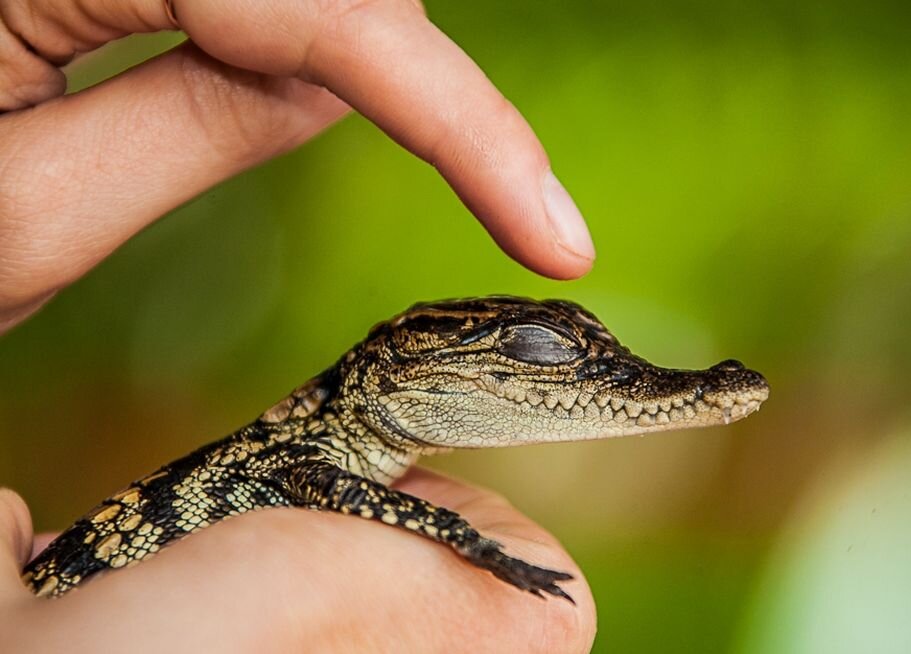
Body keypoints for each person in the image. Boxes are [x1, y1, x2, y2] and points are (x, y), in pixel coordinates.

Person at [0, 1, 597, 651]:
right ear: (396, 365)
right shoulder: (303, 457)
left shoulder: (308, 451)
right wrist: (469, 543)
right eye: (536, 346)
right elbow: (332, 487)